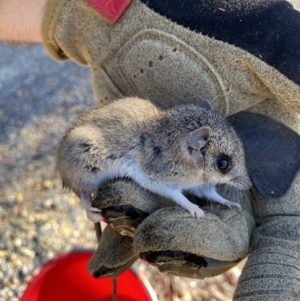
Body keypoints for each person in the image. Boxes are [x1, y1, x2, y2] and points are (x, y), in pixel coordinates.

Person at [1, 0, 300, 300]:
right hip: (93, 153)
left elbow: (202, 182)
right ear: (197, 145)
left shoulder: (195, 155)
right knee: (85, 160)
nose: (240, 178)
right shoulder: (170, 158)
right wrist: (189, 206)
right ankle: (84, 194)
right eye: (224, 164)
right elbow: (155, 179)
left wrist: (221, 197)